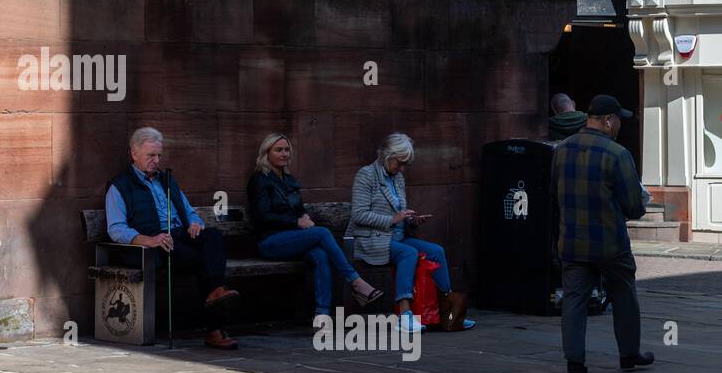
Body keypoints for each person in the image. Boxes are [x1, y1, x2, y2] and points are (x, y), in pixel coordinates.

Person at [105, 127, 238, 349]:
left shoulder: (167, 180)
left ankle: (216, 291)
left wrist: (195, 223)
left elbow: (188, 211)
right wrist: (148, 239)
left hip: (181, 234)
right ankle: (215, 329)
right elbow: (116, 228)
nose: (156, 160)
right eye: (150, 156)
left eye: (159, 155)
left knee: (213, 236)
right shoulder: (119, 186)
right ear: (134, 153)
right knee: (202, 261)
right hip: (155, 245)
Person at [552, 95, 653, 373]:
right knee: (623, 296)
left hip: (572, 240)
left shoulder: (562, 149)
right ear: (608, 121)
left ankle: (574, 361)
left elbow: (553, 193)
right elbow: (634, 205)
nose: (619, 125)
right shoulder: (617, 154)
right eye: (618, 119)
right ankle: (629, 355)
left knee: (574, 300)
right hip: (610, 243)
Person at [347, 132, 475, 333]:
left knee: (436, 251)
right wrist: (392, 219)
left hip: (398, 237)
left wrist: (412, 220)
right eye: (400, 162)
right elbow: (359, 215)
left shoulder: (397, 177)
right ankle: (404, 315)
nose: (402, 168)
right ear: (388, 156)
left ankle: (449, 313)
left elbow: (399, 215)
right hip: (372, 239)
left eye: (406, 164)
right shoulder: (366, 175)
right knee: (408, 253)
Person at [247, 133, 383, 318]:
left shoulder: (289, 180)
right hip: (270, 242)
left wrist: (303, 215)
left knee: (320, 254)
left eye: (287, 150)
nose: (284, 154)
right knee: (322, 233)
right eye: (278, 150)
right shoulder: (259, 180)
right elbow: (262, 215)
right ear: (266, 153)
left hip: (293, 239)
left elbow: (297, 208)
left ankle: (322, 315)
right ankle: (355, 281)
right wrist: (296, 222)